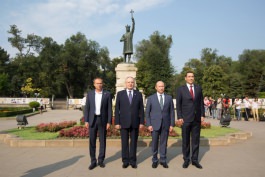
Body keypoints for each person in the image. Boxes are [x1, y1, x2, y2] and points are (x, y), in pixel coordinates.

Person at [176, 71, 205, 169]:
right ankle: (186, 160)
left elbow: (201, 102)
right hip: (185, 119)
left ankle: (195, 160)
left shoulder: (198, 88)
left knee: (196, 140)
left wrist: (202, 115)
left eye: (192, 76)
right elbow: (178, 105)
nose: (191, 78)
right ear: (185, 78)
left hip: (196, 119)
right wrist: (179, 117)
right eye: (189, 76)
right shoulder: (181, 89)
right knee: (186, 141)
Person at [115, 76, 144, 169]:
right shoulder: (120, 94)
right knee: (124, 143)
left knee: (134, 143)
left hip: (135, 122)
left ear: (134, 83)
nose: (130, 84)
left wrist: (141, 122)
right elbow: (116, 109)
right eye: (128, 82)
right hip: (123, 122)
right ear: (125, 84)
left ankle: (133, 161)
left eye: (132, 82)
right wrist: (117, 122)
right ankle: (125, 161)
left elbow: (141, 110)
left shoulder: (138, 94)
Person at [145, 81, 175, 169]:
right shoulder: (151, 98)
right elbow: (147, 113)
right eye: (159, 86)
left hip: (165, 124)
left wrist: (171, 124)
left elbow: (172, 112)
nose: (161, 88)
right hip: (154, 125)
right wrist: (149, 124)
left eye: (162, 86)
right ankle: (154, 160)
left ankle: (163, 160)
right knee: (154, 143)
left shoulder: (169, 98)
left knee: (163, 143)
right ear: (156, 87)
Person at [84, 78, 112, 170]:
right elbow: (87, 108)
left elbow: (109, 109)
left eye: (100, 83)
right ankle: (93, 161)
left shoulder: (107, 94)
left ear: (102, 84)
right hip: (92, 120)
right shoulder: (90, 94)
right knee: (92, 141)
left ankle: (101, 160)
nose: (99, 85)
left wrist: (109, 122)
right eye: (97, 83)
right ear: (94, 84)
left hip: (102, 120)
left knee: (102, 141)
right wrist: (86, 120)